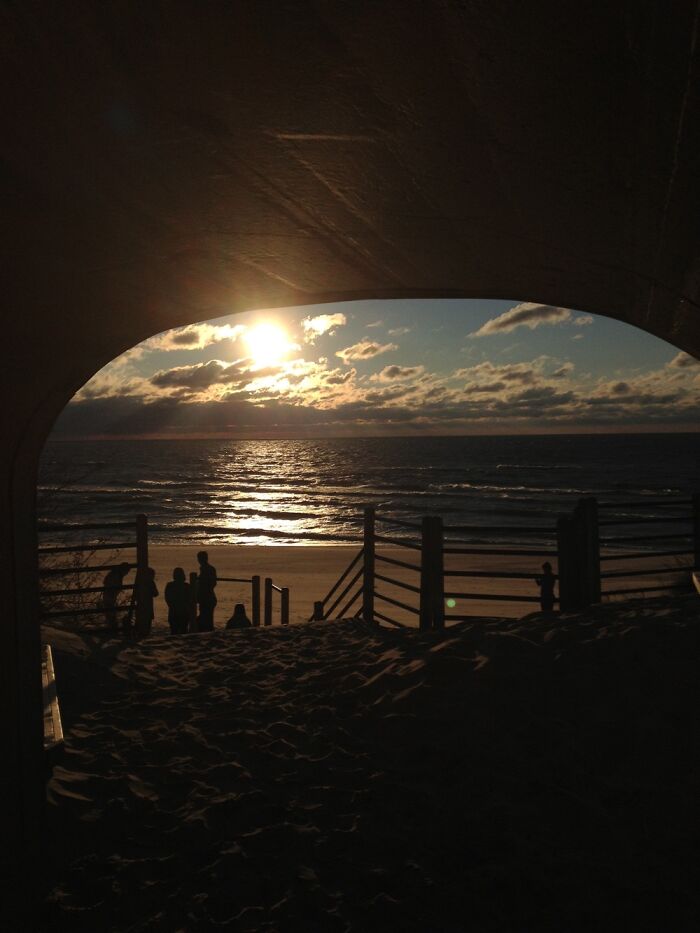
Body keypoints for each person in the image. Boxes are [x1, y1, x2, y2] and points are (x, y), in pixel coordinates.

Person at [102, 562, 131, 631]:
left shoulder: (116, 574)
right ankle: (112, 627)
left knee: (110, 610)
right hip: (110, 595)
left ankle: (112, 626)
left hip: (111, 595)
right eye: (127, 571)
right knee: (110, 610)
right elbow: (109, 583)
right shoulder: (116, 575)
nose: (127, 573)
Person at [164, 567, 191, 634]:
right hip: (183, 611)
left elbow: (167, 598)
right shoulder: (187, 586)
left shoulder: (170, 585)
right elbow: (190, 599)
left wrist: (172, 605)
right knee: (183, 630)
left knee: (174, 631)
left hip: (174, 611)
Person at [196, 550, 217, 631]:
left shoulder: (208, 569)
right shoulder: (208, 569)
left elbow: (212, 584)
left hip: (207, 597)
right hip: (206, 597)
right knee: (206, 616)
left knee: (206, 616)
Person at [134, 566, 158, 637]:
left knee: (140, 620)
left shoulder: (140, 582)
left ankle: (140, 634)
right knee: (147, 622)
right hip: (148, 605)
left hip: (141, 605)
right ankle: (144, 634)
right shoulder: (151, 583)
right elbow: (156, 593)